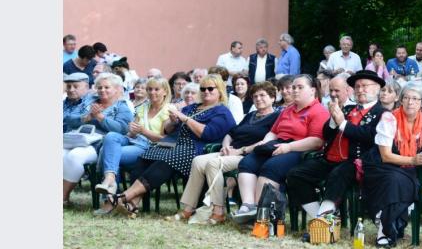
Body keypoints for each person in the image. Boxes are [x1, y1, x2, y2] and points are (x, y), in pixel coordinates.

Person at [107, 75, 236, 217]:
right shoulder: (192, 107)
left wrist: (185, 119)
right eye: (203, 88)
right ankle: (133, 203)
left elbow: (207, 134)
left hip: (196, 148)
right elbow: (166, 130)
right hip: (173, 142)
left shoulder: (222, 112)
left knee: (167, 160)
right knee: (145, 157)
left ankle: (123, 197)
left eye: (210, 88)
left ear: (220, 91)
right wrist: (173, 121)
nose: (206, 91)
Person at [171, 82, 280, 224]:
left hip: (249, 156)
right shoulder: (251, 115)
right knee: (198, 160)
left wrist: (239, 151)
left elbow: (265, 143)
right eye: (255, 96)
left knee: (214, 163)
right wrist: (226, 146)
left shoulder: (277, 117)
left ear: (272, 98)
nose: (258, 99)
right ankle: (189, 208)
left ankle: (218, 211)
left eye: (262, 95)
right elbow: (231, 133)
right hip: (231, 151)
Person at [286, 70, 387, 220]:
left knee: (337, 175)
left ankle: (324, 219)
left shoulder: (383, 113)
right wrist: (334, 119)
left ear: (377, 88)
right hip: (330, 159)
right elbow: (326, 134)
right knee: (295, 174)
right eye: (357, 86)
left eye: (365, 86)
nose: (360, 90)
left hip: (356, 163)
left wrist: (342, 123)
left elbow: (370, 136)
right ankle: (317, 219)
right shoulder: (347, 109)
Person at [230, 75, 330, 221]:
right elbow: (274, 132)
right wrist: (264, 142)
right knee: (247, 162)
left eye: (300, 87)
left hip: (299, 149)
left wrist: (288, 147)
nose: (295, 90)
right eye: (294, 87)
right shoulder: (288, 110)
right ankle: (248, 206)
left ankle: (261, 213)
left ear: (312, 90)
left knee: (271, 167)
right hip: (278, 144)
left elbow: (317, 141)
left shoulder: (319, 111)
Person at [363, 82, 422, 248]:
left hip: (408, 168)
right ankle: (384, 230)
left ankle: (383, 226)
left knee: (398, 181)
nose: (410, 102)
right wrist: (413, 160)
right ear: (401, 100)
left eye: (415, 99)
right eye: (406, 98)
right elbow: (385, 155)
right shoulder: (389, 117)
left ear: (421, 102)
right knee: (393, 180)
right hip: (380, 164)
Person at [93, 77, 172, 214]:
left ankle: (109, 199)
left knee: (111, 155)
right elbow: (132, 133)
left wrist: (143, 131)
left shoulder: (169, 110)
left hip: (149, 147)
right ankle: (110, 180)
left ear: (165, 91)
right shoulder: (142, 107)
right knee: (111, 137)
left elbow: (166, 140)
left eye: (156, 89)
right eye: (149, 89)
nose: (152, 92)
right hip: (134, 140)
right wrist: (132, 131)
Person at [63, 73, 133, 205]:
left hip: (99, 145)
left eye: (107, 87)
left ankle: (63, 196)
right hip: (78, 139)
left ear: (117, 89)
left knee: (75, 156)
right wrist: (86, 118)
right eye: (99, 87)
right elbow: (69, 118)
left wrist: (101, 117)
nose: (102, 90)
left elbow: (122, 130)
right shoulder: (90, 101)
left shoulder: (122, 106)